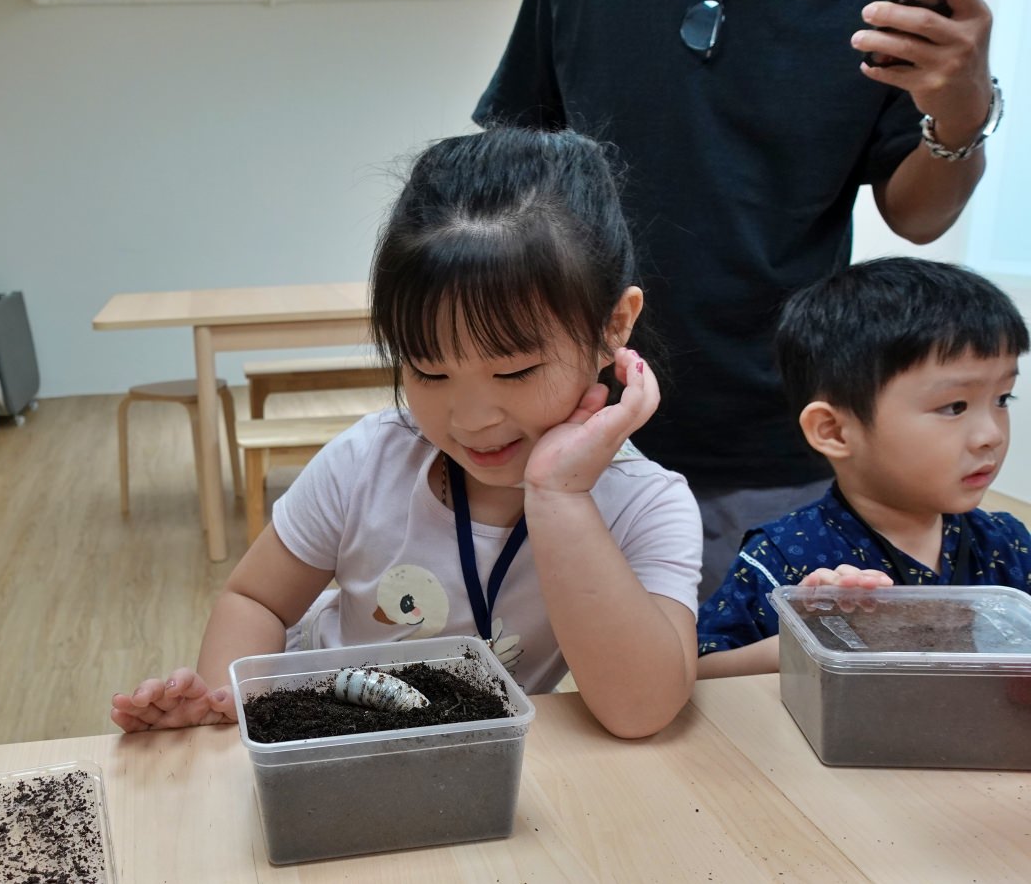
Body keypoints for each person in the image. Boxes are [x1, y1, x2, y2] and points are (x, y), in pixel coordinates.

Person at [112, 128, 703, 739]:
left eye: (514, 370)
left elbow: (641, 709)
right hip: (320, 733)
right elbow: (257, 600)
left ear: (615, 324)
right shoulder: (366, 462)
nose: (471, 419)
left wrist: (559, 495)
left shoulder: (644, 503)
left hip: (474, 770)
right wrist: (229, 708)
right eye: (429, 371)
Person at [473, 0, 1002, 601]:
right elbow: (516, 171)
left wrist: (962, 113)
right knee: (538, 677)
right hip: (568, 421)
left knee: (747, 685)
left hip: (770, 433)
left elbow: (918, 215)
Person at [696, 257, 1031, 678]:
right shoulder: (785, 554)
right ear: (834, 431)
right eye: (954, 406)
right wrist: (806, 641)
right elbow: (699, 669)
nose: (991, 435)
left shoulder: (1005, 544)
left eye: (1003, 399)